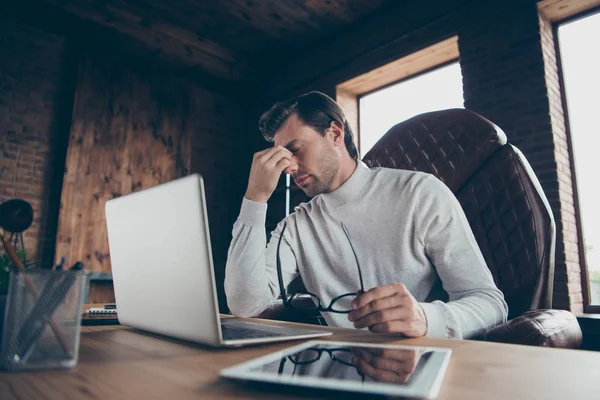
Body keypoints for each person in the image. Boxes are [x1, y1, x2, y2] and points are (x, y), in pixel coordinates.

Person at [224, 91, 508, 339]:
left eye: (295, 150)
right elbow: (245, 306)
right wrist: (255, 198)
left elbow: (490, 304)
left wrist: (425, 319)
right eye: (281, 157)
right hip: (334, 372)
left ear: (335, 133)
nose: (289, 167)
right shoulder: (297, 225)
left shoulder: (420, 193)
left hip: (419, 367)